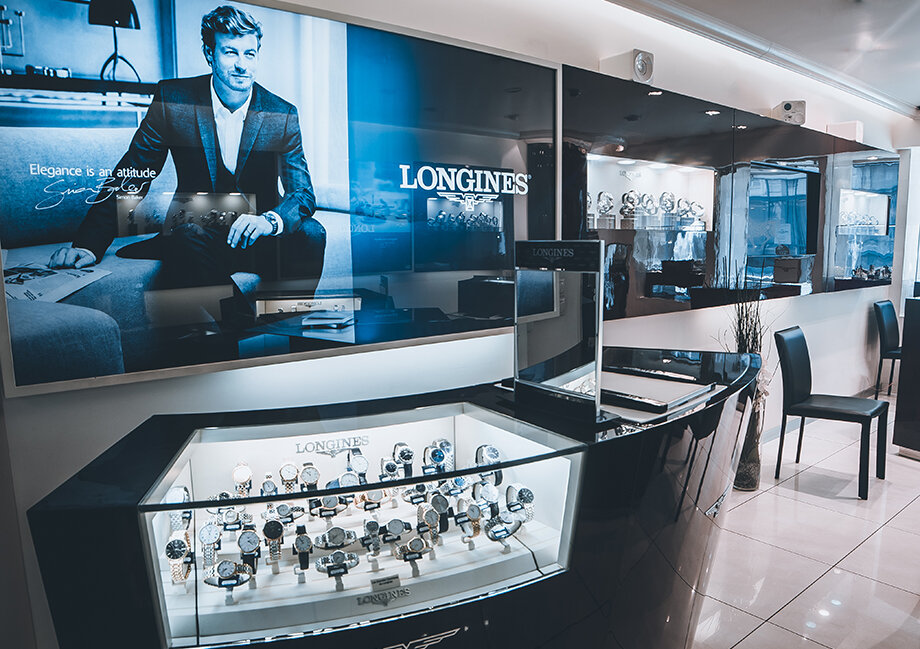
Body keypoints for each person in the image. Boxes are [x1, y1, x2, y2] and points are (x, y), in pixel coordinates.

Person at [49, 5, 325, 286]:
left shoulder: (282, 113)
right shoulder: (174, 100)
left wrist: (269, 221)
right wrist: (88, 244)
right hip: (197, 233)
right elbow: (133, 174)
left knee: (312, 233)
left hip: (258, 235)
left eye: (249, 54)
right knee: (187, 234)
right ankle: (236, 314)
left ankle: (290, 315)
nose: (242, 65)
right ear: (209, 54)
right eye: (231, 52)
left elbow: (302, 192)